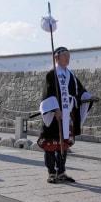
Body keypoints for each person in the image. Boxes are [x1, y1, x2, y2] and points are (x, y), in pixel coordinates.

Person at [38, 47, 94, 184]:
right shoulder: (52, 74)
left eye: (69, 56)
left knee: (63, 143)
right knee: (51, 143)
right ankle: (51, 172)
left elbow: (80, 91)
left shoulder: (71, 76)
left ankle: (61, 171)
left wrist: (88, 97)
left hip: (67, 113)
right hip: (55, 115)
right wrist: (55, 108)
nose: (68, 58)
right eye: (65, 56)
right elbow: (48, 93)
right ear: (56, 58)